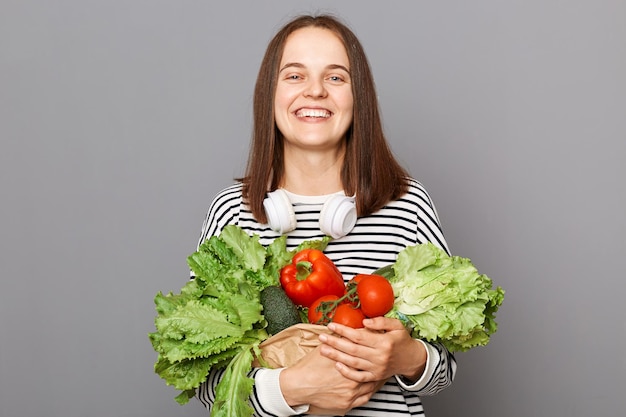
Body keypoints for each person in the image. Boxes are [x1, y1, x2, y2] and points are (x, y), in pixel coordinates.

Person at [195, 14, 456, 416]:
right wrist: (295, 388)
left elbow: (444, 369)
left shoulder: (407, 204)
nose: (315, 91)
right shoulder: (233, 211)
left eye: (335, 78)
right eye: (295, 76)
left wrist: (405, 356)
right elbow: (206, 380)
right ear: (271, 94)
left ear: (358, 97)